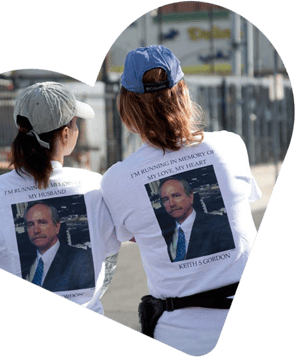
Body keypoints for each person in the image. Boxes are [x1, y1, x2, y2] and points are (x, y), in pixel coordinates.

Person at [101, 45, 261, 356]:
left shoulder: (117, 180)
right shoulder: (230, 146)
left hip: (181, 338)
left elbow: (135, 235)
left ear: (127, 109)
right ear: (184, 92)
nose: (172, 203)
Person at [0, 81, 120, 315]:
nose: (35, 229)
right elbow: (120, 250)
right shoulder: (95, 187)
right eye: (75, 124)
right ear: (66, 133)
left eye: (41, 222)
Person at [159, 177, 234, 262]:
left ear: (190, 197)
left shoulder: (220, 225)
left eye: (176, 196)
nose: (171, 204)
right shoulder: (163, 234)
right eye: (166, 199)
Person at [24, 201, 95, 291]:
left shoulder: (81, 260)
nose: (36, 230)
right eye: (31, 224)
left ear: (57, 226)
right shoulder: (24, 264)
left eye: (42, 222)